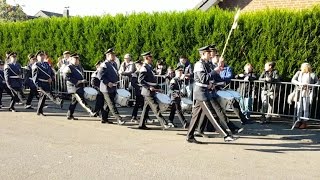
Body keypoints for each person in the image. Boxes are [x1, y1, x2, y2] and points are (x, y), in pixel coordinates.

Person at [186, 46, 236, 144]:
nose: (210, 55)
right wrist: (215, 71)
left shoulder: (207, 64)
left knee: (195, 116)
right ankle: (225, 135)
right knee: (212, 115)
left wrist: (212, 83)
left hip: (205, 91)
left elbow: (209, 79)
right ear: (203, 54)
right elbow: (203, 78)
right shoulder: (199, 64)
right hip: (201, 93)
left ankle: (189, 136)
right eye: (208, 53)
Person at [138, 51, 170, 130]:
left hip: (150, 91)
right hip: (147, 92)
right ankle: (164, 123)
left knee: (146, 108)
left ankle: (141, 124)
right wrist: (149, 87)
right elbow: (140, 80)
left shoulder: (149, 67)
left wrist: (158, 88)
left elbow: (153, 80)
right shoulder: (144, 67)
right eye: (150, 57)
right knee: (156, 107)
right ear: (146, 58)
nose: (152, 59)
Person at [97, 48, 125, 125]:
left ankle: (104, 118)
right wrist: (107, 82)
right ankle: (119, 118)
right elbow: (99, 75)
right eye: (112, 55)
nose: (113, 56)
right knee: (111, 104)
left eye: (114, 55)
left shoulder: (114, 64)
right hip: (106, 88)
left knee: (107, 104)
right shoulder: (104, 64)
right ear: (107, 55)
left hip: (113, 87)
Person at [64, 53, 95, 120]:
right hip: (73, 87)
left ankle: (69, 115)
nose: (77, 60)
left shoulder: (79, 67)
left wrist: (83, 81)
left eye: (78, 59)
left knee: (74, 102)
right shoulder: (68, 67)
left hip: (79, 87)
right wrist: (77, 81)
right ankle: (91, 111)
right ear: (71, 59)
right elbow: (66, 77)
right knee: (81, 100)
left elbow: (81, 75)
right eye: (75, 59)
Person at [32, 51, 63, 116]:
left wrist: (51, 78)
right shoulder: (36, 65)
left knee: (43, 97)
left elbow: (52, 73)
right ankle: (58, 101)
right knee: (49, 93)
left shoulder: (47, 64)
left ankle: (39, 111)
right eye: (40, 56)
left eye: (43, 55)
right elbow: (35, 77)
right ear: (37, 57)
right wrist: (38, 85)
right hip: (41, 83)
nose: (42, 57)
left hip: (47, 82)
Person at [291, 63, 319, 129]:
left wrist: (310, 86)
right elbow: (293, 80)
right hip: (299, 92)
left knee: (305, 108)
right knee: (299, 107)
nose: (301, 68)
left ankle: (304, 122)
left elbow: (317, 82)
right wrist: (300, 84)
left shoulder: (312, 74)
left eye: (303, 67)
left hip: (308, 93)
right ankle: (298, 120)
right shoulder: (299, 73)